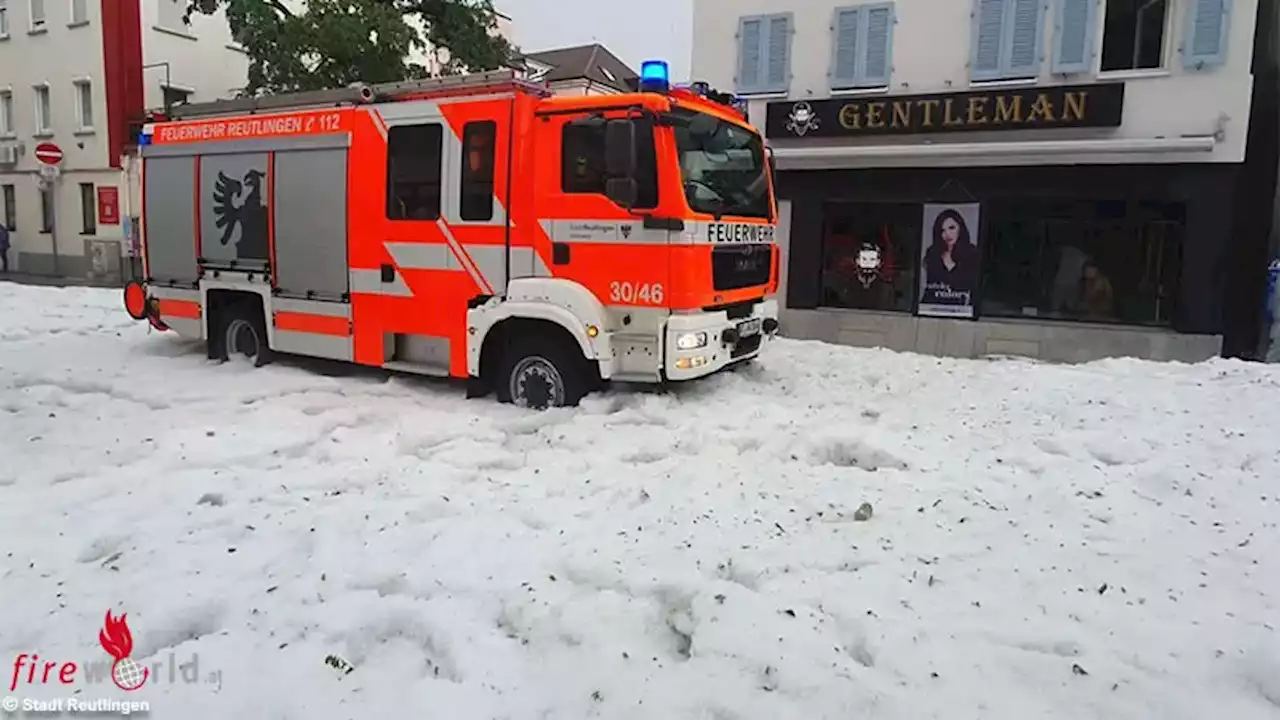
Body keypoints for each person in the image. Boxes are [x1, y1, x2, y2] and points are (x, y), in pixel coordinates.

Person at [920, 208, 977, 306]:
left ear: (960, 228)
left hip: (962, 309)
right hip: (935, 308)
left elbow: (975, 289)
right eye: (943, 230)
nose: (947, 234)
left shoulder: (972, 253)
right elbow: (930, 288)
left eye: (951, 228)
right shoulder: (933, 253)